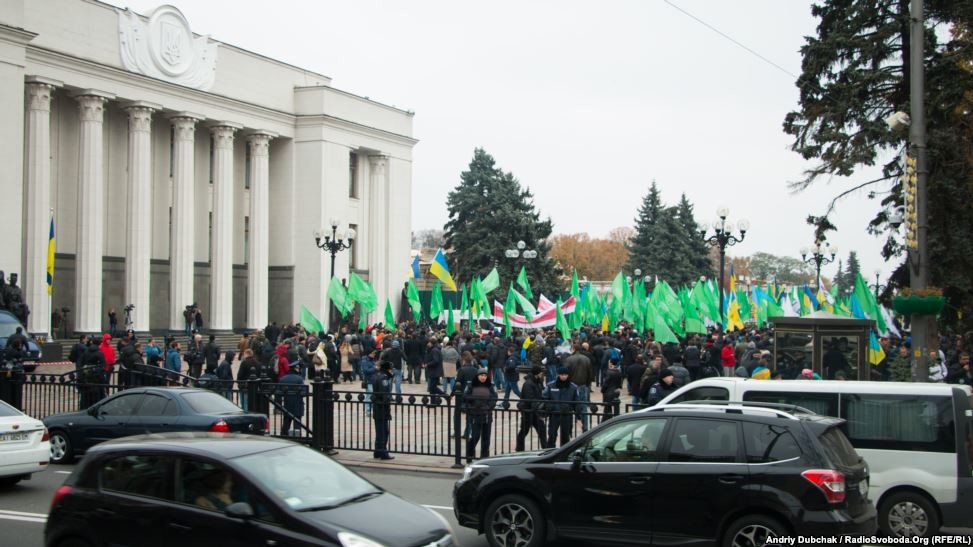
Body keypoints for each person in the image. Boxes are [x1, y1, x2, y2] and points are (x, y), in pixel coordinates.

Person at [463, 368, 498, 462]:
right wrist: (472, 406)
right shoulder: (471, 385)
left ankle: (484, 457)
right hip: (475, 414)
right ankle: (469, 455)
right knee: (475, 436)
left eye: (485, 376)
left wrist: (489, 406)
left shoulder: (490, 386)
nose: (483, 377)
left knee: (486, 438)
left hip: (487, 415)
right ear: (477, 376)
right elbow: (465, 397)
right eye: (481, 375)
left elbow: (494, 397)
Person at [543, 366, 582, 447]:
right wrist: (549, 405)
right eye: (562, 374)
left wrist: (578, 417)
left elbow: (577, 402)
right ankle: (549, 452)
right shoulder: (551, 385)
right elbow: (545, 398)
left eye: (565, 374)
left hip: (567, 415)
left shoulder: (573, 387)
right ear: (558, 375)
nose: (564, 376)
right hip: (554, 414)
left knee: (565, 436)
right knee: (552, 435)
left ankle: (564, 453)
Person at [515, 366, 548, 451]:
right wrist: (539, 405)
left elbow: (540, 395)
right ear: (537, 374)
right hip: (528, 412)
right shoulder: (528, 384)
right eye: (541, 373)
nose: (543, 374)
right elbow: (530, 399)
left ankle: (545, 449)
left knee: (542, 431)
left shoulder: (538, 382)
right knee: (524, 431)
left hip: (536, 412)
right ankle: (519, 449)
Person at [564, 344, 593, 432]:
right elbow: (590, 374)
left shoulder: (569, 359)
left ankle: (568, 429)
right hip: (582, 385)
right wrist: (587, 384)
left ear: (574, 349)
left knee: (569, 407)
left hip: (571, 385)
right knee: (583, 407)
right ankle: (585, 429)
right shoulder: (586, 359)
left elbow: (565, 373)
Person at [372, 360, 394, 460]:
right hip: (381, 407)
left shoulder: (376, 375)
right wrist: (387, 403)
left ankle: (377, 451)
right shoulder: (383, 378)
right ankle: (383, 452)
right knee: (383, 431)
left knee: (379, 430)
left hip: (376, 406)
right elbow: (384, 394)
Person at [278, 362, 305, 436]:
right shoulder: (299, 379)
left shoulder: (282, 378)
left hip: (287, 404)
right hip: (297, 404)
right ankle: (297, 438)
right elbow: (304, 393)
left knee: (286, 423)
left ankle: (284, 436)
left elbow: (278, 393)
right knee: (297, 424)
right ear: (296, 369)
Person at [361, 349, 378, 416]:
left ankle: (373, 410)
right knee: (369, 395)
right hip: (368, 380)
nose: (374, 355)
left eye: (374, 353)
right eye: (372, 353)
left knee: (373, 395)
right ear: (369, 354)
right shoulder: (364, 361)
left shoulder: (372, 360)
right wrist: (375, 368)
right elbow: (366, 371)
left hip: (374, 380)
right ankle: (368, 410)